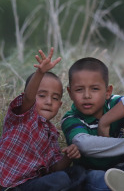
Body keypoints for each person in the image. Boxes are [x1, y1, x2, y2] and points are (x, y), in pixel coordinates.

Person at [61, 57, 124, 191]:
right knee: (95, 178)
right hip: (94, 173)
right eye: (79, 89)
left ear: (108, 91)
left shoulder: (114, 105)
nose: (87, 95)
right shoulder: (71, 119)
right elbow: (84, 145)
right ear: (70, 93)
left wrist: (105, 121)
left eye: (95, 89)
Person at [0, 48, 84, 191]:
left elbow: (54, 168)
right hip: (9, 185)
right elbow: (28, 97)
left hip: (30, 184)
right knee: (61, 180)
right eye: (42, 95)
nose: (49, 102)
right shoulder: (24, 116)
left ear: (60, 105)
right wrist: (40, 72)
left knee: (78, 172)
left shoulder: (51, 134)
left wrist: (69, 157)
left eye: (55, 98)